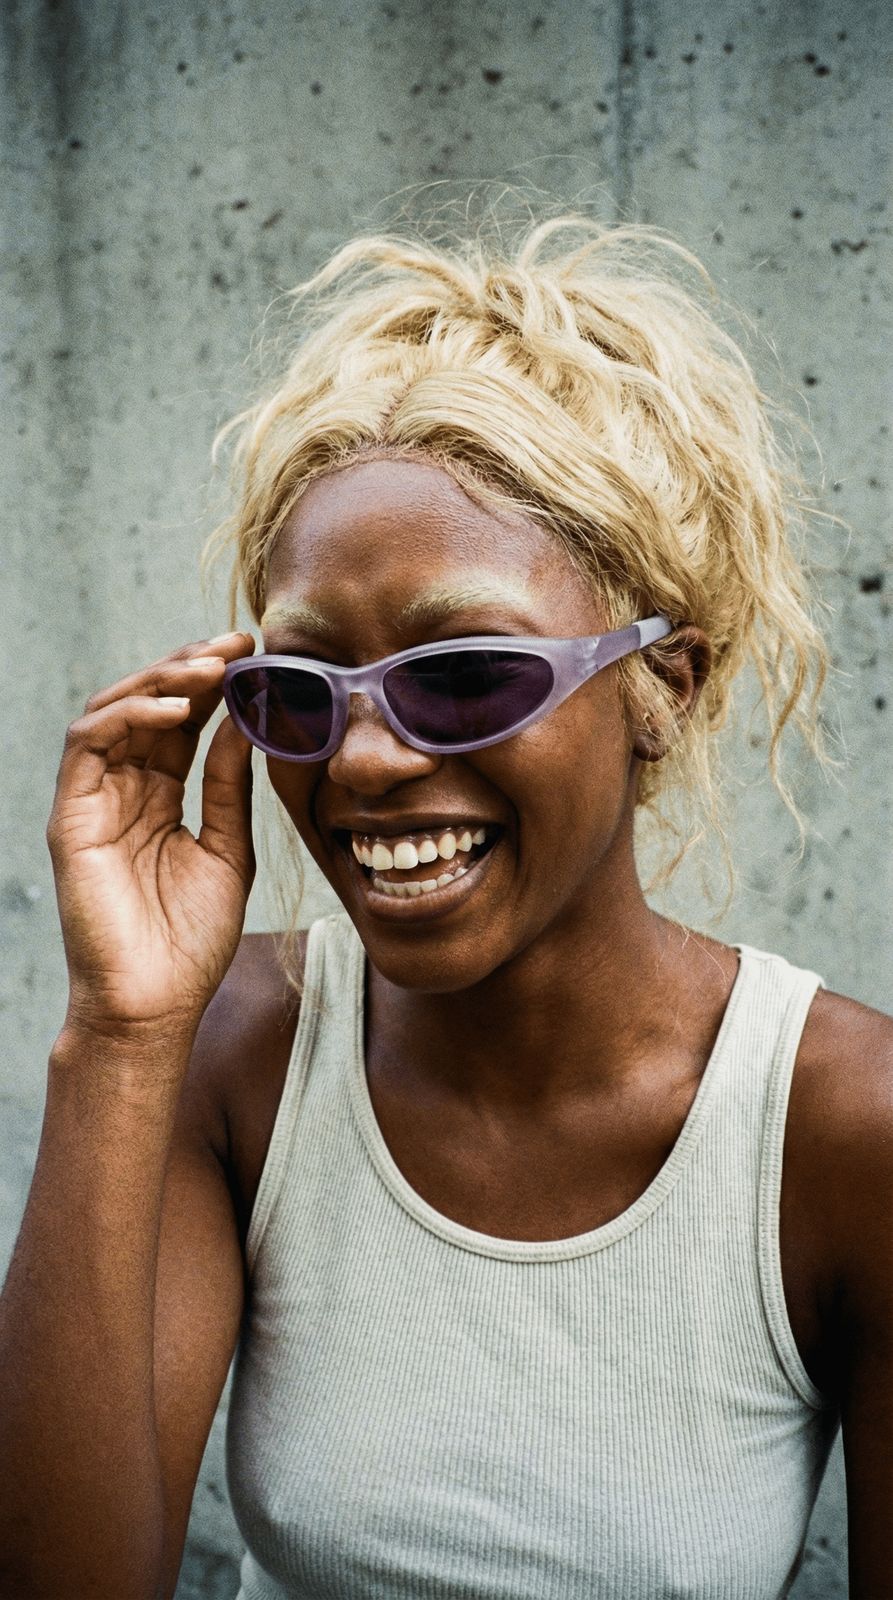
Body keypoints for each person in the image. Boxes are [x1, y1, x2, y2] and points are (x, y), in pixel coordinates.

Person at [0, 218, 890, 1600]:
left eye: (466, 673)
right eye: (298, 692)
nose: (361, 759)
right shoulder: (238, 1051)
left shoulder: (839, 1130)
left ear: (670, 687)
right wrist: (119, 1031)